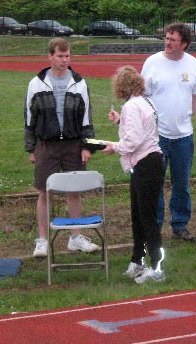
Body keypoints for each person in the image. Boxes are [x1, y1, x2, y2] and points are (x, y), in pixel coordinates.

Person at [24, 37, 100, 258]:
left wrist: (87, 147)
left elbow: (86, 117)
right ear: (50, 57)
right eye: (60, 56)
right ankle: (42, 240)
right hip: (46, 145)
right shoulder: (35, 83)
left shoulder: (79, 82)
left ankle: (75, 237)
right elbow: (29, 118)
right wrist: (31, 149)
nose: (64, 60)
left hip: (73, 145)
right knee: (43, 192)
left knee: (74, 191)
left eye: (67, 56)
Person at [141, 22, 196, 243]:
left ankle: (180, 225)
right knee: (155, 184)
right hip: (156, 136)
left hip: (183, 137)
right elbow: (141, 97)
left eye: (173, 40)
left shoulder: (193, 64)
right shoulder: (152, 63)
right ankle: (155, 227)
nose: (168, 43)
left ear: (184, 44)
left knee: (181, 184)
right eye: (167, 38)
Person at [102, 65, 165, 284]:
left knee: (146, 218)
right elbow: (141, 130)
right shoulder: (145, 102)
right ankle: (138, 259)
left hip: (146, 163)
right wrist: (120, 121)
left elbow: (133, 141)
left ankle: (156, 266)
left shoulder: (132, 106)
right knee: (138, 216)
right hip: (149, 163)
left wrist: (113, 146)